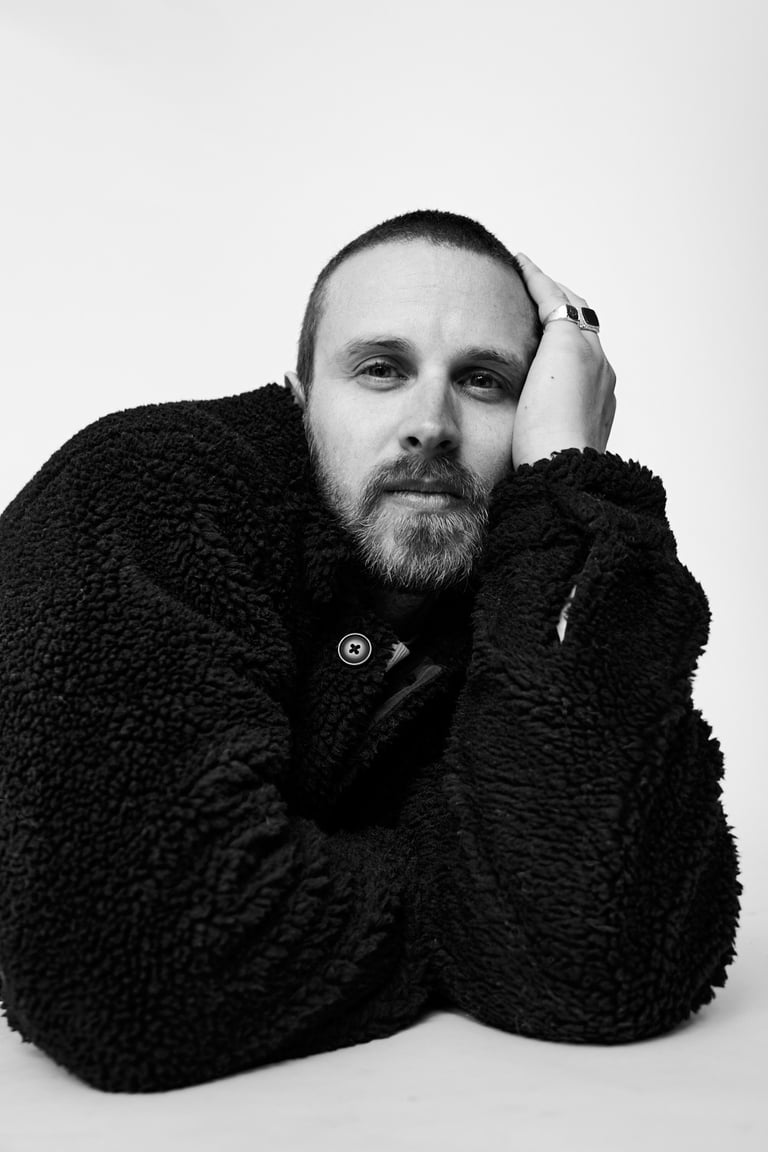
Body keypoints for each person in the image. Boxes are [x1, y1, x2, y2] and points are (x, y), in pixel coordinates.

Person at [0, 210, 742, 1094]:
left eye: (485, 382)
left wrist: (569, 484)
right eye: (381, 370)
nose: (431, 423)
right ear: (301, 393)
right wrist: (459, 901)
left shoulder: (512, 584)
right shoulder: (144, 489)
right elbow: (132, 968)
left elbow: (611, 952)